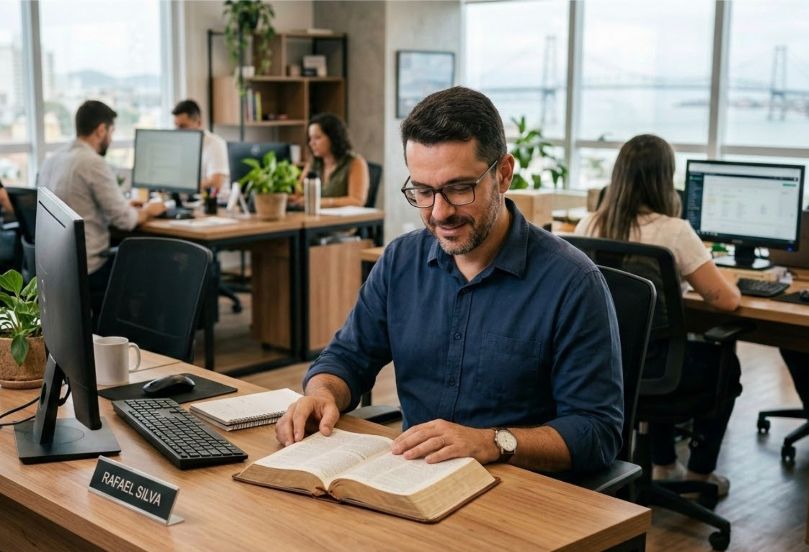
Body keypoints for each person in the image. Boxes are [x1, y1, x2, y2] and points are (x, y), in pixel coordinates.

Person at [277, 87, 624, 474]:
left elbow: (597, 432)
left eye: (459, 188)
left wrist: (492, 442)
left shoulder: (572, 282)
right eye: (423, 191)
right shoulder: (400, 261)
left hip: (520, 488)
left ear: (503, 174)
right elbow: (346, 358)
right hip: (414, 477)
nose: (440, 212)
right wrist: (322, 394)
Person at [575, 134, 742, 495]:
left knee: (668, 349)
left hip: (601, 365)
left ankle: (665, 463)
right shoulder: (675, 231)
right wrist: (731, 278)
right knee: (724, 363)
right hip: (654, 367)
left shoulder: (588, 225)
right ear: (664, 179)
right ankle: (699, 474)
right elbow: (726, 301)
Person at [38, 100, 165, 320]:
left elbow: (79, 205)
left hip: (54, 267)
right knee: (157, 266)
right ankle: (144, 334)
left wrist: (124, 206)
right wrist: (150, 210)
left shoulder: (53, 159)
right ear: (101, 130)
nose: (111, 139)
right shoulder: (92, 162)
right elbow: (125, 221)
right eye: (111, 131)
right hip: (89, 269)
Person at [294, 112, 369, 208]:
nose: (311, 143)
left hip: (341, 217)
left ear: (333, 138)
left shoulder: (355, 162)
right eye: (310, 138)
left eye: (317, 138)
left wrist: (321, 202)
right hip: (315, 216)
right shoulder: (314, 163)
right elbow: (299, 193)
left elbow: (357, 200)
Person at [172, 99, 230, 192]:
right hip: (187, 197)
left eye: (183, 126)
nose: (178, 132)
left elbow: (216, 182)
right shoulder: (181, 144)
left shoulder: (215, 143)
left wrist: (183, 185)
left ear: (199, 123)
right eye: (176, 126)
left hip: (212, 199)